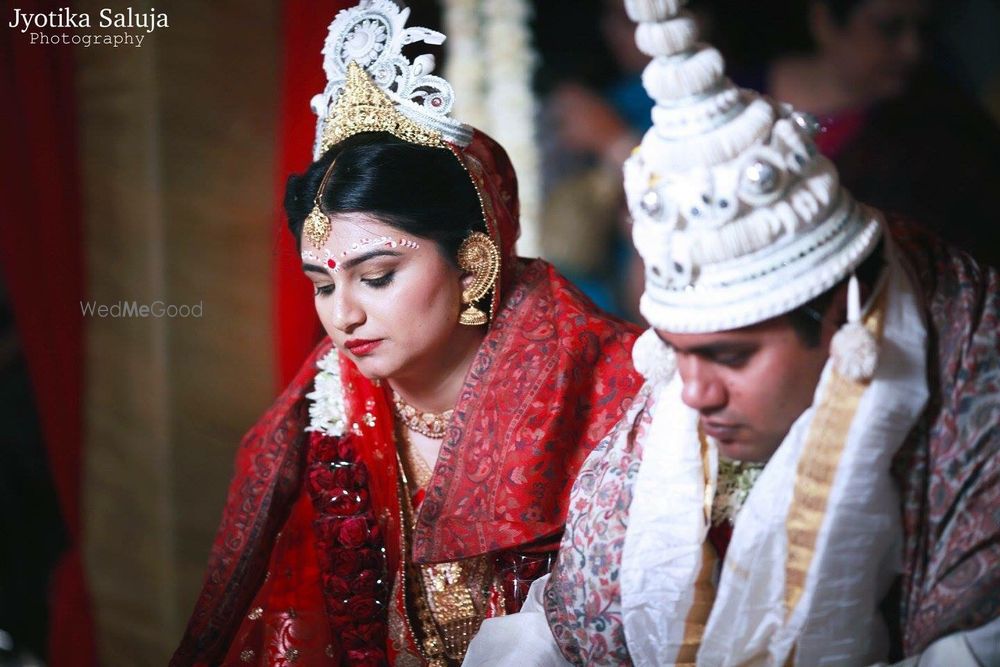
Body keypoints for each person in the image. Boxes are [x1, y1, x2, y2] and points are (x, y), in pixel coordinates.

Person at [464, 0, 999, 664]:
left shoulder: (969, 433)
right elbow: (559, 627)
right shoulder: (651, 437)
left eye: (730, 356)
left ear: (840, 320)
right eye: (676, 352)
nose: (693, 393)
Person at [170, 2, 641, 665]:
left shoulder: (610, 391)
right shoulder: (320, 415)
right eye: (324, 284)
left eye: (379, 275)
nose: (344, 315)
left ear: (473, 261)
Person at [743, 0, 1000, 267]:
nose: (912, 49)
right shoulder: (734, 99)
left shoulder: (946, 127)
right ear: (824, 21)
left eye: (925, 30)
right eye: (889, 28)